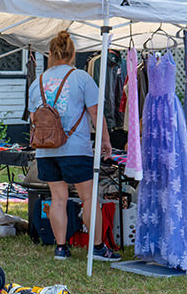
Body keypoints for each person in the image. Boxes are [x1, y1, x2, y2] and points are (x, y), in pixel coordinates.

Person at [27, 30, 120, 262]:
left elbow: (33, 119)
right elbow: (96, 113)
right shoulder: (81, 78)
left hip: (45, 150)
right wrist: (105, 140)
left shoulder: (38, 82)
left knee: (58, 198)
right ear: (73, 54)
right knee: (88, 198)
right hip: (75, 148)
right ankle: (97, 248)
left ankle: (61, 248)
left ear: (50, 54)